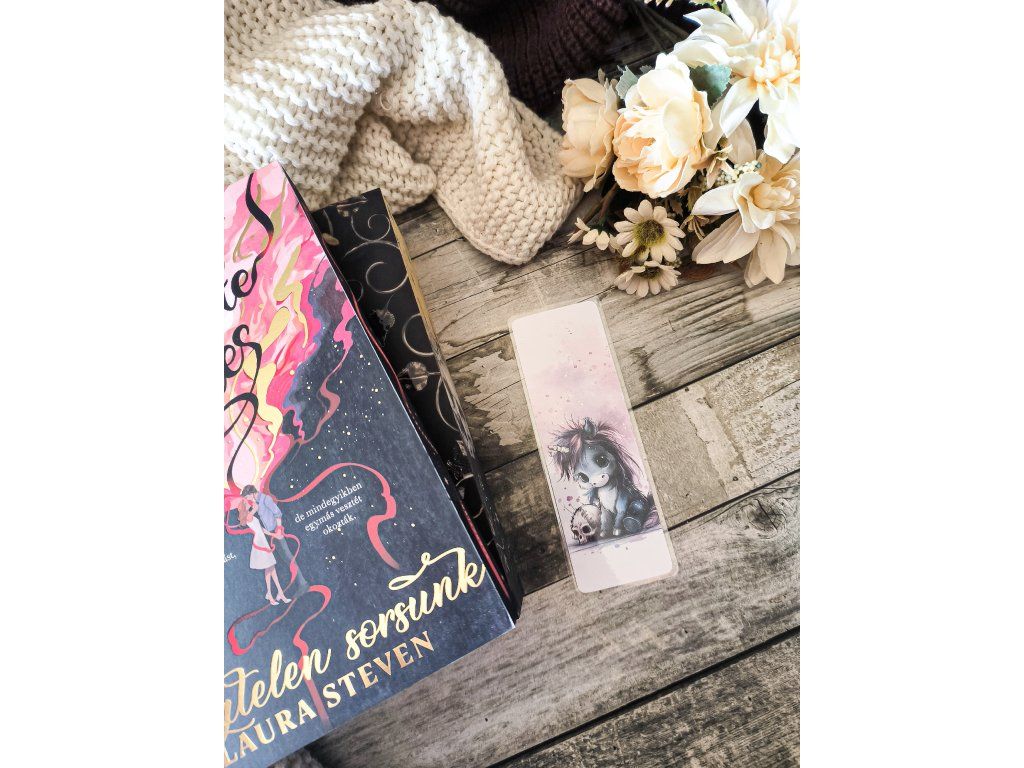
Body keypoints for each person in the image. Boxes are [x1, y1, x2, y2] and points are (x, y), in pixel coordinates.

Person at [240, 484, 308, 594]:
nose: (247, 499)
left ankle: (303, 584)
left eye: (247, 497)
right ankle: (292, 587)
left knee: (288, 558)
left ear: (252, 493)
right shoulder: (257, 502)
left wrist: (279, 530)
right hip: (269, 535)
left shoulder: (266, 499)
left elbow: (278, 514)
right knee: (280, 561)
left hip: (275, 532)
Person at [238, 499, 291, 605]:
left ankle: (274, 593)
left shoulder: (249, 515)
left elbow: (262, 529)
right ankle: (275, 593)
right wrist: (252, 500)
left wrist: (273, 535)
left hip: (262, 541)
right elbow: (256, 507)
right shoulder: (248, 516)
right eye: (246, 503)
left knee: (270, 568)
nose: (249, 504)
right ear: (244, 506)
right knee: (270, 567)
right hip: (260, 542)